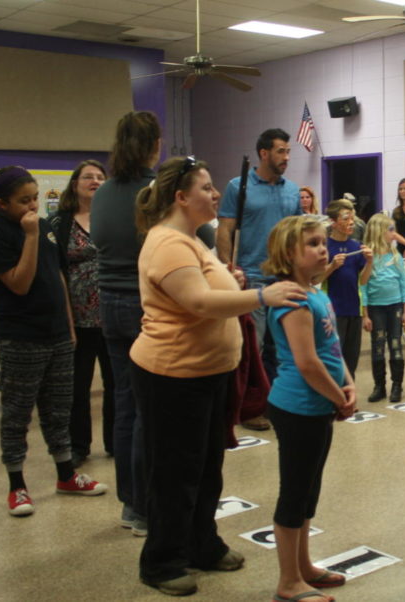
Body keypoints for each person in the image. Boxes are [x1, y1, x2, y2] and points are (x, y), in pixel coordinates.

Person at [129, 156, 304, 595]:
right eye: (206, 188)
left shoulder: (194, 239)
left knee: (206, 466)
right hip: (174, 375)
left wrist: (234, 281)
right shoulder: (168, 243)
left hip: (207, 372)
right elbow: (201, 303)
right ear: (181, 197)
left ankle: (202, 544)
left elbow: (211, 289)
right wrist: (261, 295)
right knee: (175, 472)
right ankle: (162, 561)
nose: (214, 195)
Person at [93, 111, 215, 536]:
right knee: (151, 412)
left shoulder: (104, 191)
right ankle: (147, 506)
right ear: (153, 146)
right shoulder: (154, 191)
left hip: (108, 304)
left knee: (125, 405)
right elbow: (202, 237)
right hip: (148, 304)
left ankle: (131, 504)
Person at [0, 166, 108, 517]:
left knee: (58, 408)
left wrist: (69, 324)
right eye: (24, 200)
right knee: (18, 413)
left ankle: (66, 474)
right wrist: (30, 236)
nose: (33, 205)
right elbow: (19, 283)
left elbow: (57, 277)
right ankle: (17, 485)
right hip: (21, 337)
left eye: (35, 197)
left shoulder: (45, 227)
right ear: (2, 204)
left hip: (58, 333)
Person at [263, 215, 357, 602]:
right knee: (295, 492)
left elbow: (331, 351)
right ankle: (288, 582)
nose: (323, 249)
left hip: (320, 404)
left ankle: (303, 566)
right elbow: (306, 362)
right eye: (313, 244)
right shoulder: (294, 298)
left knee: (309, 492)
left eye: (323, 242)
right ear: (289, 253)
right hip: (298, 406)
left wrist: (348, 382)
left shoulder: (315, 290)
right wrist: (338, 396)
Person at [216, 128, 300, 430]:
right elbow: (224, 230)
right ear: (264, 153)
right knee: (253, 349)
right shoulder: (237, 187)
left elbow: (297, 233)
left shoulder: (292, 190)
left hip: (285, 278)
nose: (286, 157)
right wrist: (228, 267)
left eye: (288, 151)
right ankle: (248, 409)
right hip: (251, 278)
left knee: (282, 348)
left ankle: (276, 404)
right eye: (281, 151)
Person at [49, 160, 114, 468]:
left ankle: (116, 441)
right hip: (76, 319)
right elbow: (52, 271)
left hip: (114, 315)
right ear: (74, 184)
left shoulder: (114, 218)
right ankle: (78, 446)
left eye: (101, 177)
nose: (95, 181)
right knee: (78, 386)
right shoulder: (58, 223)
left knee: (117, 384)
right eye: (88, 176)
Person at [361, 213, 405, 403]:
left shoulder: (395, 256)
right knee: (378, 346)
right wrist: (365, 314)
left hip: (395, 306)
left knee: (396, 345)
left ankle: (397, 385)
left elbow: (404, 283)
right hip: (376, 309)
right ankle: (379, 386)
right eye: (391, 230)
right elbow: (363, 286)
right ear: (379, 231)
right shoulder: (368, 256)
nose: (394, 234)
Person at [319, 199, 373, 379]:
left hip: (353, 310)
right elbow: (314, 280)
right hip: (332, 311)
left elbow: (363, 280)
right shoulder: (324, 246)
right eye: (345, 218)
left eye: (352, 218)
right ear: (333, 222)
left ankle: (348, 395)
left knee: (351, 358)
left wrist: (370, 262)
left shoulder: (356, 247)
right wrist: (332, 266)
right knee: (334, 357)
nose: (351, 222)